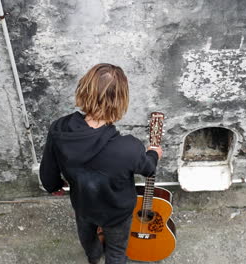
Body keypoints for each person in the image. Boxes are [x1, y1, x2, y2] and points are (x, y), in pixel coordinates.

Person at [39, 63, 163, 264]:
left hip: (83, 205)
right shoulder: (129, 148)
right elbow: (148, 168)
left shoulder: (60, 128)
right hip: (116, 213)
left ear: (84, 88)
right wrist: (153, 153)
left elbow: (48, 168)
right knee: (116, 250)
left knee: (87, 236)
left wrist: (52, 186)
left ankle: (94, 257)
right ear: (121, 100)